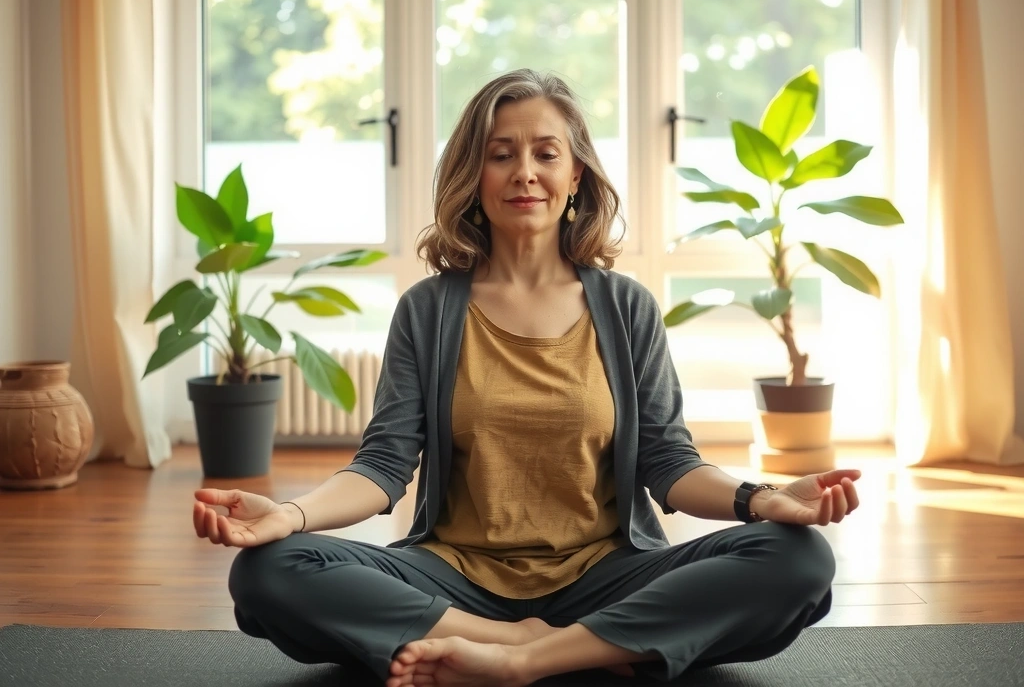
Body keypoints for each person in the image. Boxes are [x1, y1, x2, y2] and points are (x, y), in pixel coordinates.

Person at [192, 68, 860, 687]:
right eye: (501, 153)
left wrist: (762, 499)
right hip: (454, 578)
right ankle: (551, 646)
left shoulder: (626, 307)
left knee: (798, 560)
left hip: (610, 572)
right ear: (474, 175)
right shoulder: (427, 310)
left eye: (546, 153)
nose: (525, 172)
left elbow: (668, 461)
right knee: (270, 571)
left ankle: (525, 661)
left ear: (576, 176)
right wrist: (289, 515)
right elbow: (383, 468)